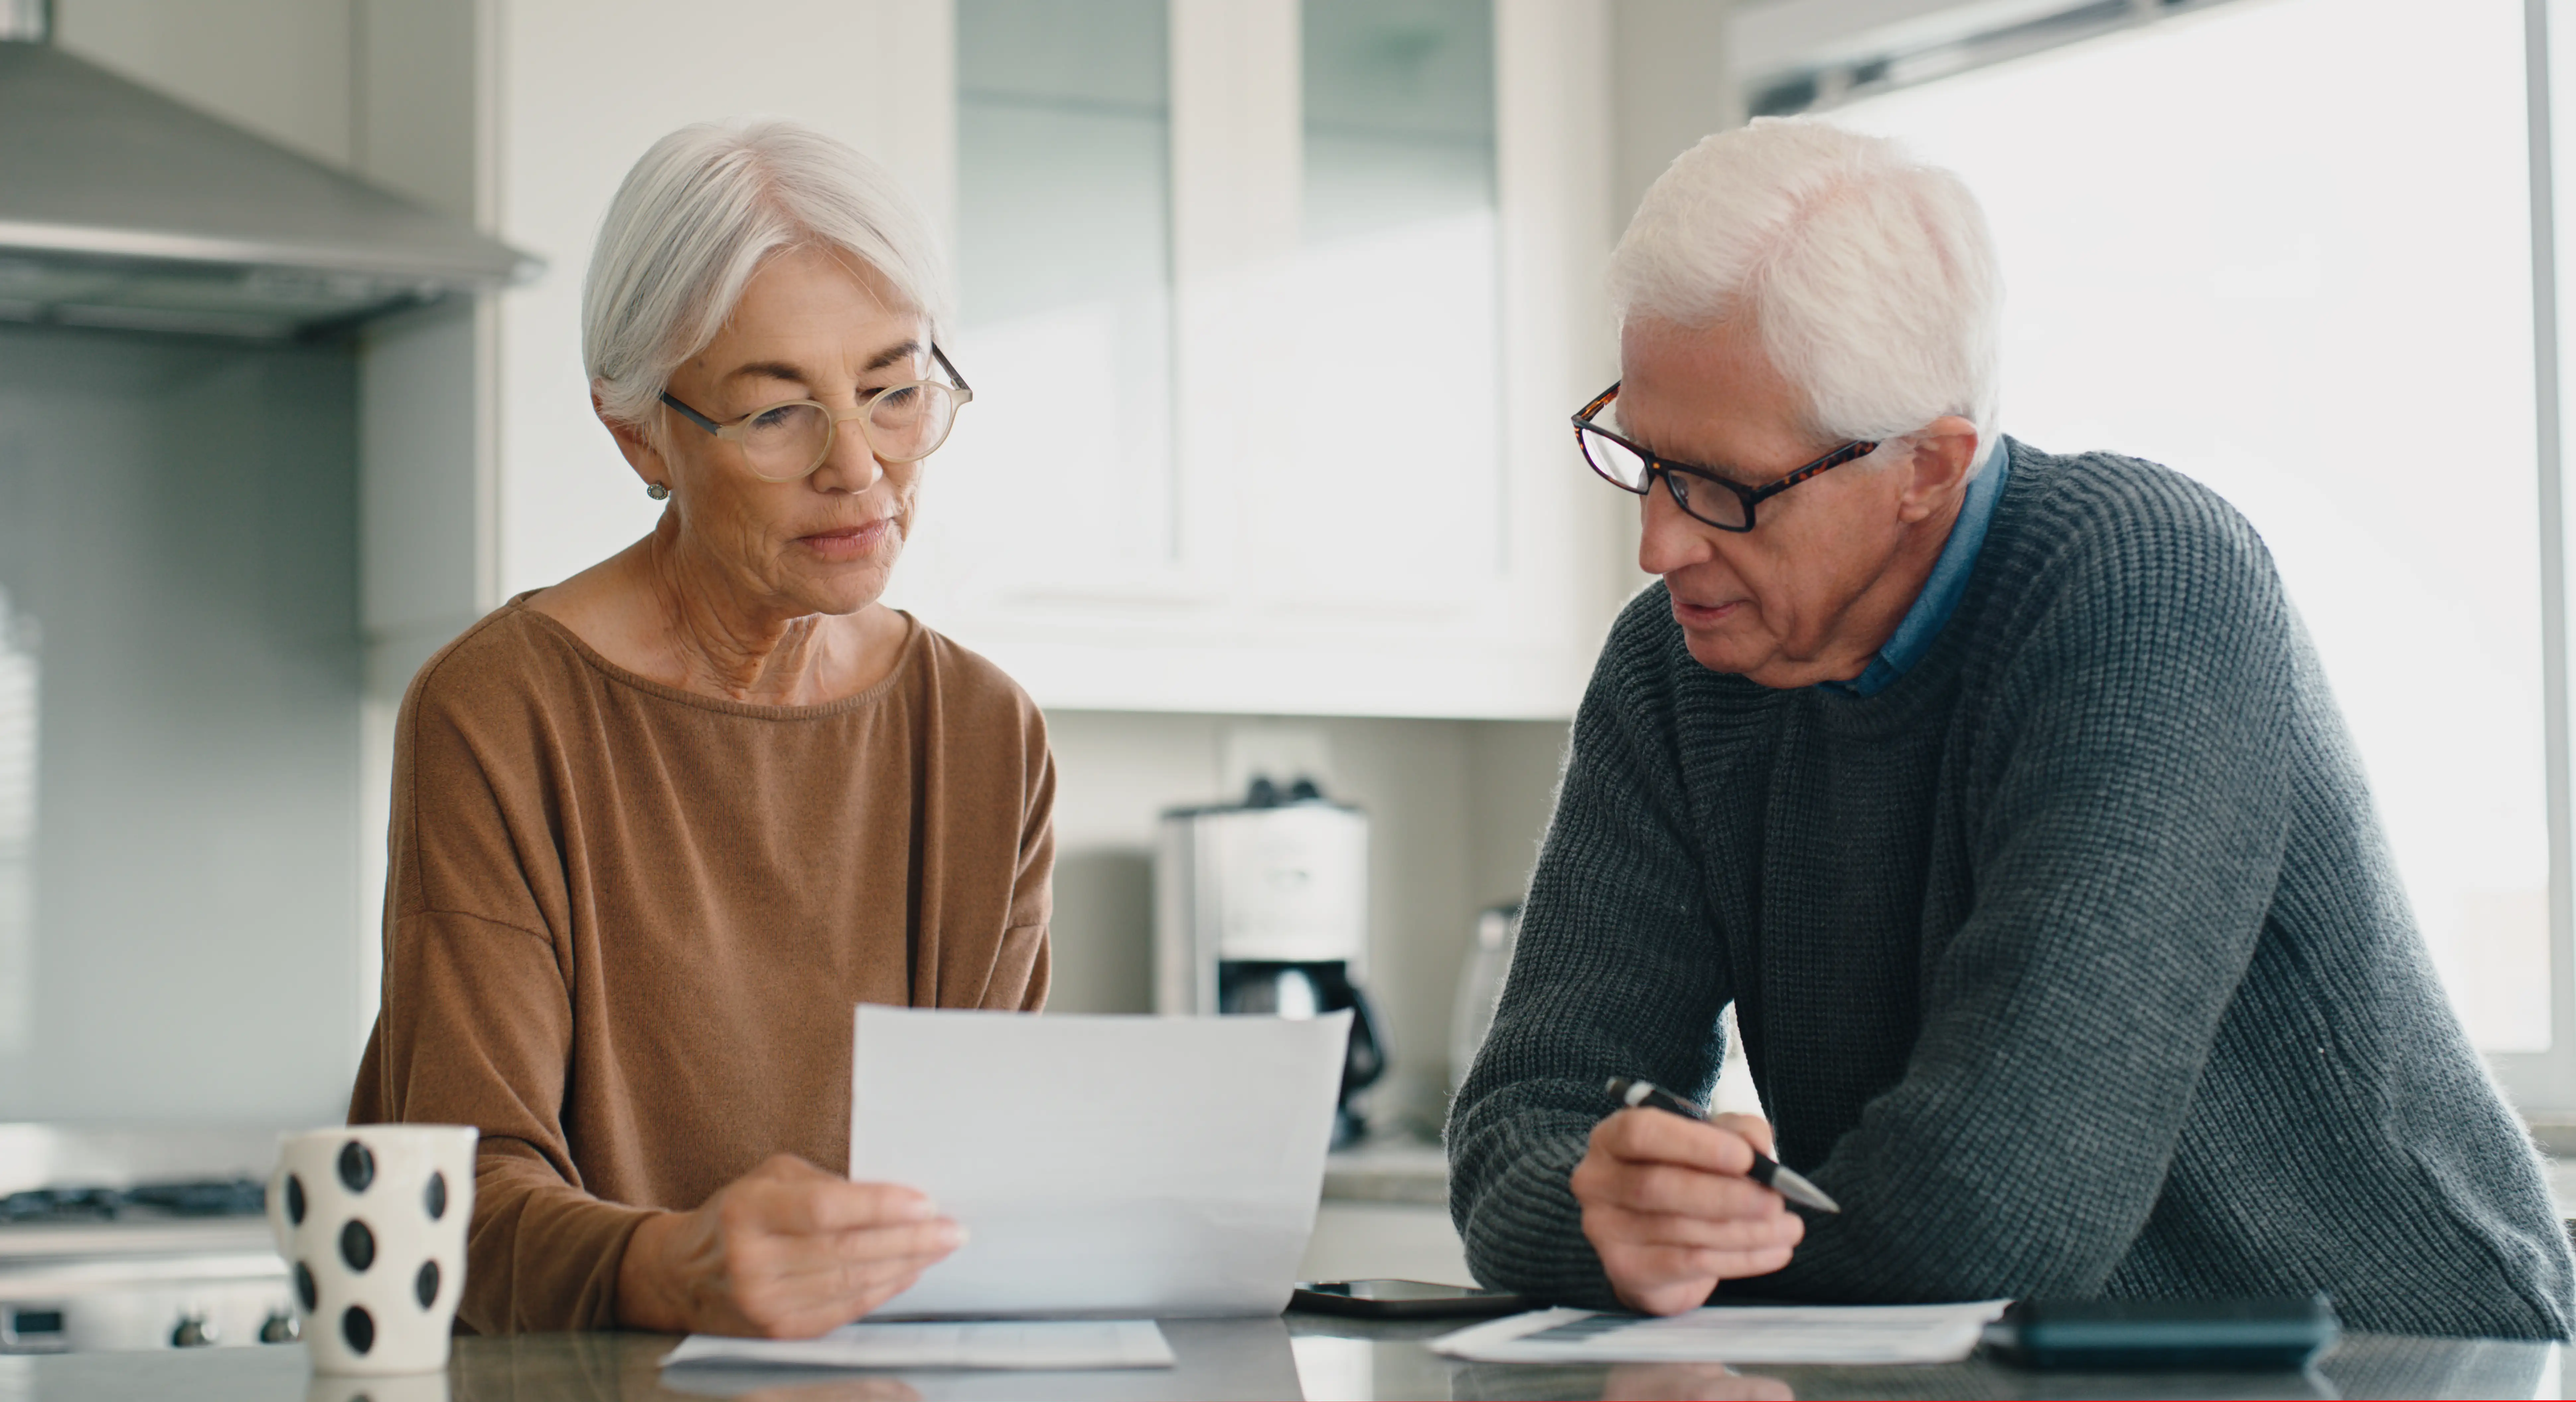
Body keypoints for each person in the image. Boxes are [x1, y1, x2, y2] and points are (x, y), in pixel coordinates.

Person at [1446, 118, 2576, 1338]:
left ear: (1928, 467)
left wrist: (1671, 1257)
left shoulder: (2152, 584)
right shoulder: (1675, 665)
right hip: (1987, 1362)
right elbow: (1521, 1122)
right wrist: (1603, 1213)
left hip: (2404, 1356)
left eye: (1724, 488)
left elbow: (1993, 1209)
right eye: (1643, 458)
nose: (1660, 544)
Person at [349, 120, 1054, 1338]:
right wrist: (672, 1265)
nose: (861, 469)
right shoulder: (501, 710)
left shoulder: (984, 732)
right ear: (638, 430)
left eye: (895, 390)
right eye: (780, 413)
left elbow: (988, 1192)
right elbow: (452, 1204)